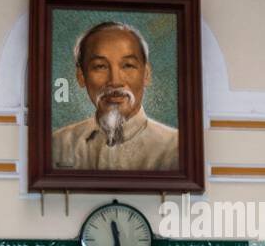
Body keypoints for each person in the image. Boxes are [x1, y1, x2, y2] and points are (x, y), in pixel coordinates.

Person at [51, 22, 179, 171]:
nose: (115, 82)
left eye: (128, 65)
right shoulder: (59, 144)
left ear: (146, 74)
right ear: (81, 76)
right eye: (100, 66)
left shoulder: (175, 147)